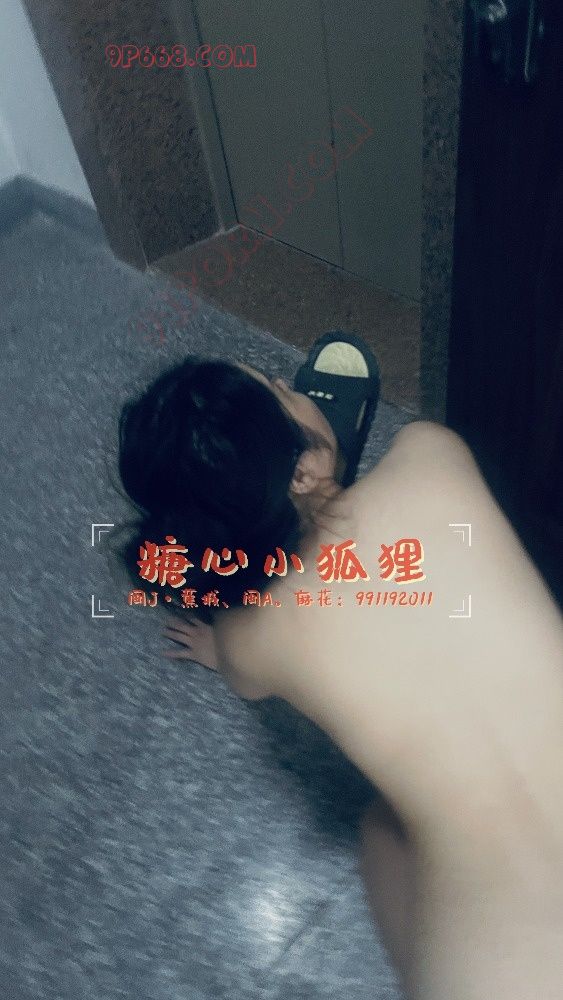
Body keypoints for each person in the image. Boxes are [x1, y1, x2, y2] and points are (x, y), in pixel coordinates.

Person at [115, 355, 563, 1000]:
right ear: (301, 469)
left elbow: (242, 670)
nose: (297, 389)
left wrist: (227, 642)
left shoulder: (251, 639)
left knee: (381, 835)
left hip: (494, 968)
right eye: (284, 392)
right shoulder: (427, 454)